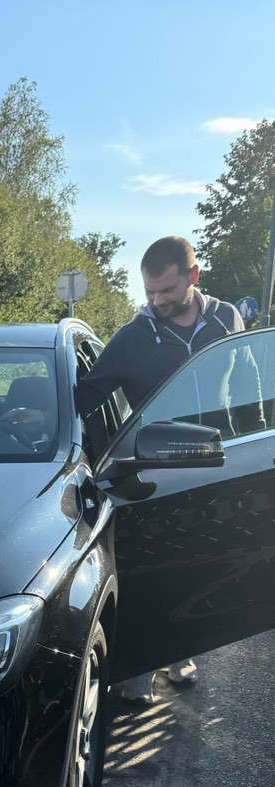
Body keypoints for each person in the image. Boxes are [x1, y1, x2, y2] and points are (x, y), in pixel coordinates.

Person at [77, 235, 256, 704]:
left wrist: (259, 435)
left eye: (167, 291)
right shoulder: (133, 337)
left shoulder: (226, 320)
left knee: (202, 566)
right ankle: (140, 668)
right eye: (150, 292)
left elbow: (247, 377)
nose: (156, 301)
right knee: (155, 570)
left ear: (194, 276)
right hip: (155, 472)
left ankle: (181, 654)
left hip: (216, 467)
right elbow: (88, 393)